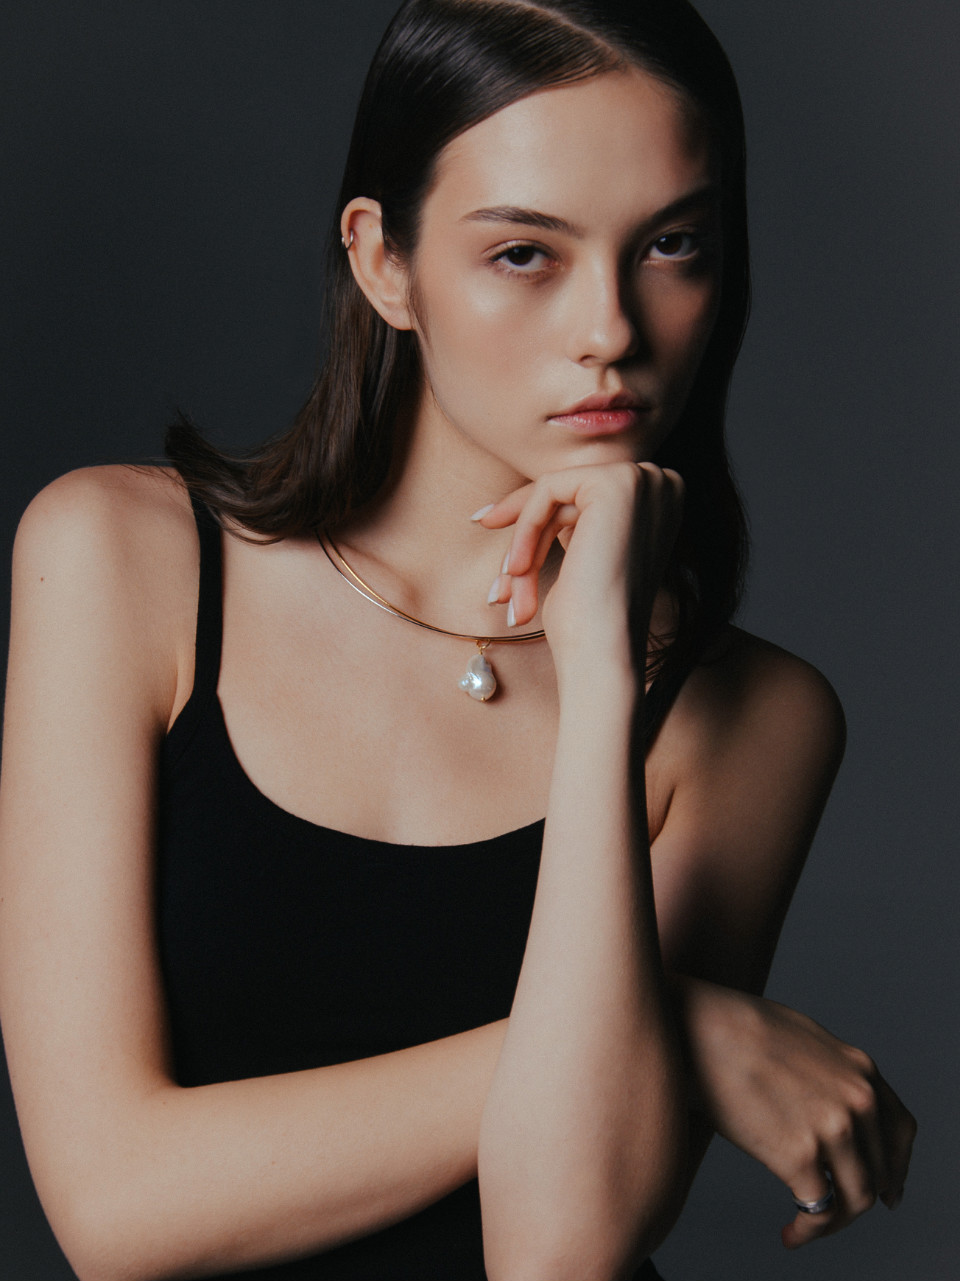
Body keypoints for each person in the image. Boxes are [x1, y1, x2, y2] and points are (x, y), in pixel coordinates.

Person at [0, 1, 916, 1279]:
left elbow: (563, 1253)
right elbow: (117, 1210)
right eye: (526, 253)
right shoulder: (121, 558)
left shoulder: (754, 718)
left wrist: (601, 673)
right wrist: (679, 1029)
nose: (611, 329)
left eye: (672, 245)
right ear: (385, 263)